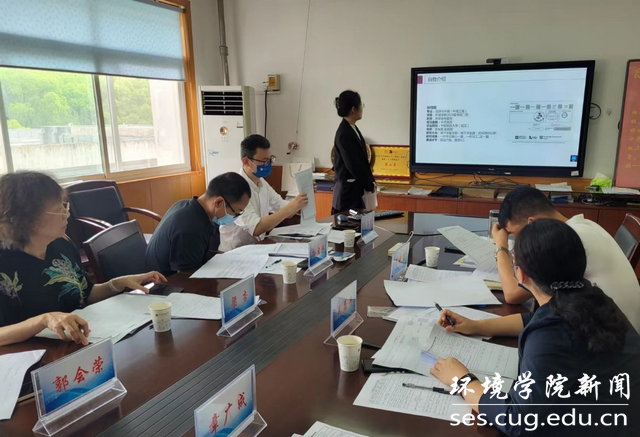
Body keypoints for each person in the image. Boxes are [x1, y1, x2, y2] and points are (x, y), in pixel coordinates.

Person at [431, 219, 640, 436]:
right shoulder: (593, 298)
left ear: (521, 274)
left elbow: (518, 421)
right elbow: (533, 319)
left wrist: (463, 381)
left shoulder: (551, 334)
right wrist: (477, 326)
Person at [0, 172, 166, 347]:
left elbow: (86, 294)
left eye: (65, 206)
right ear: (27, 219)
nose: (66, 214)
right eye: (58, 210)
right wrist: (43, 320)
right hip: (30, 355)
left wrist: (118, 283)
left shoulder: (62, 245)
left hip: (79, 343)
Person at [493, 185, 640, 332]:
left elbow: (512, 294)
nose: (518, 241)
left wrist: (501, 246)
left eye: (515, 234)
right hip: (618, 327)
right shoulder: (584, 226)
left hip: (610, 336)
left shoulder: (560, 243)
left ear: (532, 223)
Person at [145, 172, 251, 276]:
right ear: (218, 202)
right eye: (236, 212)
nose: (235, 216)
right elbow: (185, 277)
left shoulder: (184, 205)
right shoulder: (191, 227)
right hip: (163, 283)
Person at [219, 134, 308, 252]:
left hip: (257, 248)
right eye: (264, 161)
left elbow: (284, 209)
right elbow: (256, 228)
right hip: (235, 253)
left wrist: (304, 194)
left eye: (270, 160)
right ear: (246, 161)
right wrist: (292, 206)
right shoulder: (234, 188)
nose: (268, 164)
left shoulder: (261, 182)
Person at [331, 90, 376, 214]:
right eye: (361, 105)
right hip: (347, 196)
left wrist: (371, 181)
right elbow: (353, 165)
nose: (362, 108)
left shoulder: (351, 128)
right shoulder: (344, 133)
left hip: (354, 192)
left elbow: (361, 161)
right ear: (353, 109)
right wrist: (369, 184)